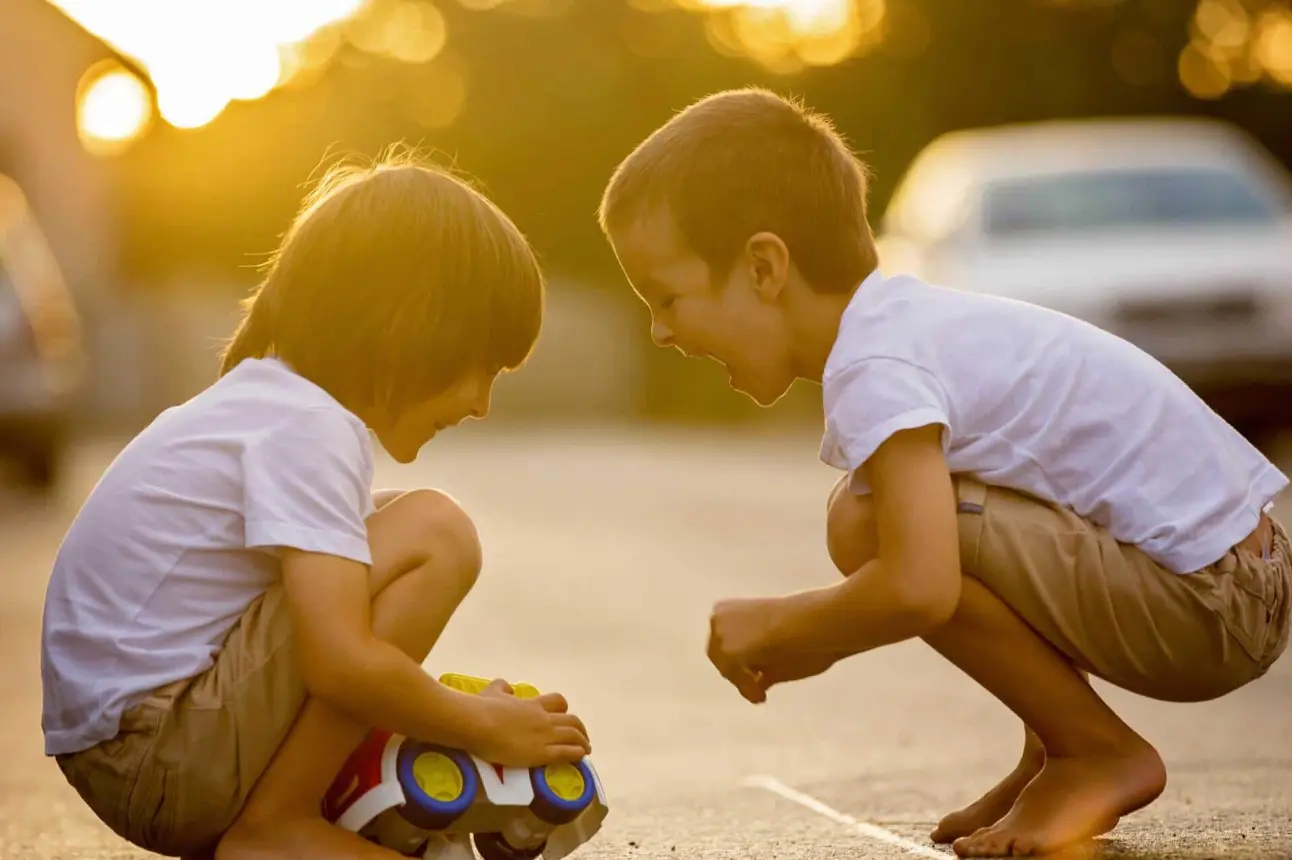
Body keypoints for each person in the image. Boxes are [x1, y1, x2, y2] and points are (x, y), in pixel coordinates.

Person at [596, 87, 1290, 858]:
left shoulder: (877, 365)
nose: (659, 331)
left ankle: (1095, 750)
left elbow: (918, 585)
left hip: (1209, 602)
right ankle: (1058, 750)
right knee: (889, 513)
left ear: (764, 267)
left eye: (667, 297)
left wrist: (795, 627)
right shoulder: (907, 327)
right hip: (1236, 578)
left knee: (866, 527)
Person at [42, 151, 591, 860]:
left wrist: (440, 711)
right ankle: (277, 825)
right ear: (416, 328)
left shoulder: (273, 407)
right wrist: (479, 726)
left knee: (382, 527)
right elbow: (338, 661)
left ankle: (289, 809)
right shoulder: (307, 425)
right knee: (435, 531)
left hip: (146, 750)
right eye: (483, 367)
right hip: (161, 757)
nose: (482, 405)